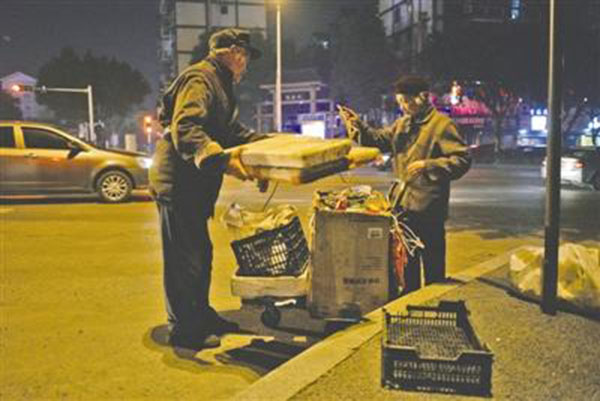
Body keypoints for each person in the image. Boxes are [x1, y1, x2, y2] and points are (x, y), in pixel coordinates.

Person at [149, 28, 266, 349]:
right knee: (184, 259)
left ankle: (200, 314)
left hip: (194, 186)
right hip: (178, 183)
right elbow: (186, 127)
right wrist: (219, 158)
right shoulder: (200, 79)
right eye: (243, 55)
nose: (245, 63)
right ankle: (184, 329)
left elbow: (231, 132)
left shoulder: (220, 83)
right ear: (231, 53)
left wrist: (269, 145)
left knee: (201, 254)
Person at [339, 75, 471, 295]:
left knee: (434, 272)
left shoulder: (441, 125)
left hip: (429, 209)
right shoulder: (402, 124)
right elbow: (377, 139)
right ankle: (410, 306)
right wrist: (357, 124)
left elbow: (462, 159)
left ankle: (433, 306)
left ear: (423, 97)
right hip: (403, 208)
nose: (403, 107)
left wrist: (429, 165)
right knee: (407, 271)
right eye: (400, 102)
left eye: (406, 101)